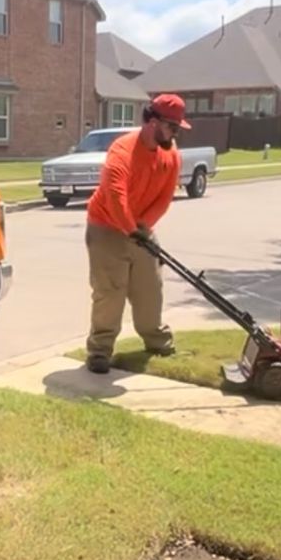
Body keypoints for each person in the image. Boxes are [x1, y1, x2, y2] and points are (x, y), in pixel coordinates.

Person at [84, 93, 187, 373]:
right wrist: (130, 229)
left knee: (149, 289)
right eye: (172, 127)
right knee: (110, 292)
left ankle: (158, 341)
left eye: (178, 128)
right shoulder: (123, 150)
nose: (175, 133)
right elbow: (115, 195)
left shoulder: (170, 153)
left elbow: (165, 196)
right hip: (106, 226)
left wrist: (142, 227)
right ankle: (99, 352)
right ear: (152, 121)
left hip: (141, 229)